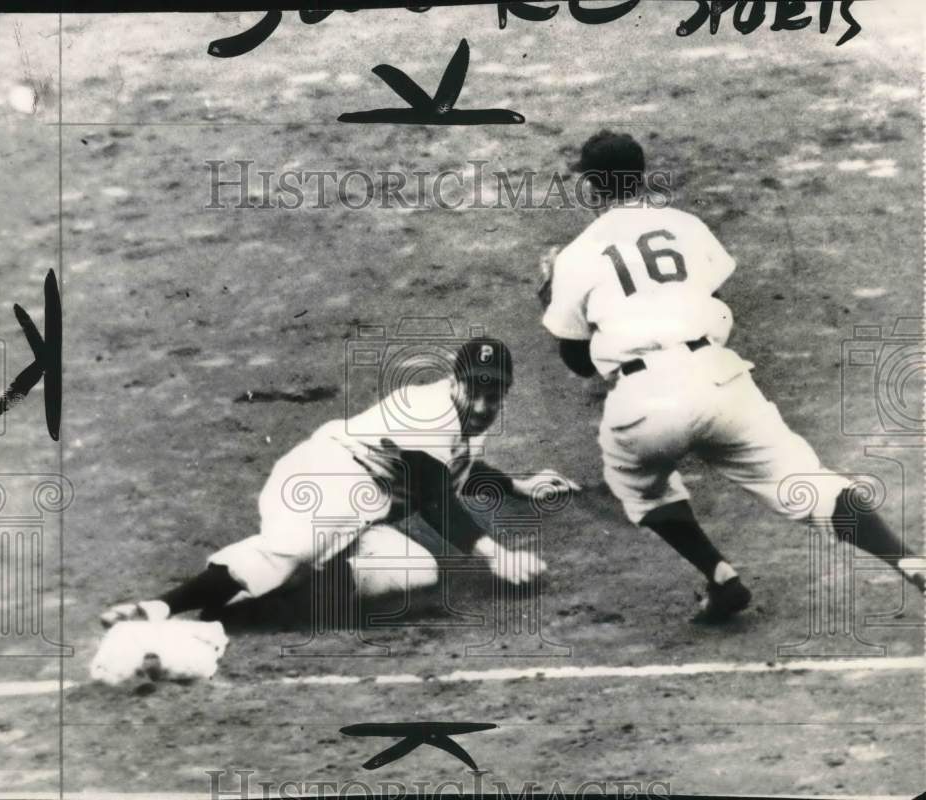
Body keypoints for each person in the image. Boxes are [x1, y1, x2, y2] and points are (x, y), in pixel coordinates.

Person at [538, 130, 924, 621]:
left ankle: (720, 575)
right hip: (720, 380)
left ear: (592, 188)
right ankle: (908, 560)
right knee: (807, 484)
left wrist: (548, 296)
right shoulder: (686, 225)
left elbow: (579, 364)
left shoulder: (574, 255)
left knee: (638, 485)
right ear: (640, 176)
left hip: (644, 403)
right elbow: (715, 302)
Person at [101, 337, 580, 627]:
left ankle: (258, 610)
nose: (482, 406)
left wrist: (516, 484)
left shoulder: (463, 427)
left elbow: (460, 466)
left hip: (366, 502)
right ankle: (157, 609)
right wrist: (496, 554)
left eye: (494, 396)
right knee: (296, 549)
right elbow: (433, 493)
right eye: (475, 392)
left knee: (412, 571)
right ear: (454, 384)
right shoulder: (429, 408)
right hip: (330, 473)